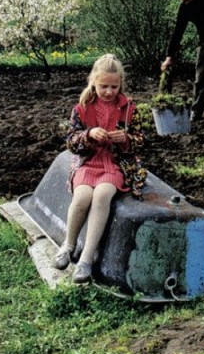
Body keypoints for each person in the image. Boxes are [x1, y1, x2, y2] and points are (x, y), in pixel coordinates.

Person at [53, 54, 147, 284]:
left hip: (115, 163)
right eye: (103, 86)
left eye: (114, 86)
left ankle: (86, 259)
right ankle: (69, 244)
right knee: (83, 194)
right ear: (93, 82)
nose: (108, 91)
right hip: (89, 161)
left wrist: (125, 139)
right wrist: (88, 134)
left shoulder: (129, 109)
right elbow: (71, 142)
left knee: (103, 194)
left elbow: (140, 140)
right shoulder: (82, 107)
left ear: (120, 84)